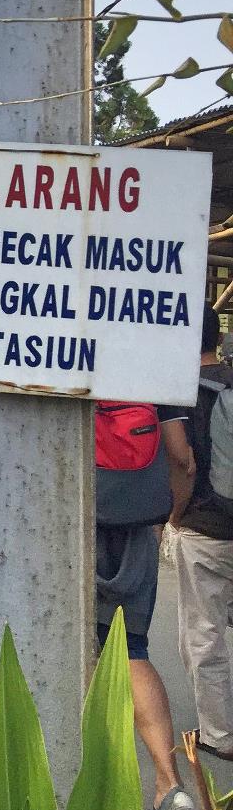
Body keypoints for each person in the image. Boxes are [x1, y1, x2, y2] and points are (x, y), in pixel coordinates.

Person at [95, 396, 198, 810]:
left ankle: (78, 787)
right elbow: (181, 457)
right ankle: (168, 784)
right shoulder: (152, 362)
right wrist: (166, 521)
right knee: (130, 648)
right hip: (138, 523)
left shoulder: (59, 357)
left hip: (68, 518)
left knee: (64, 645)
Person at [175, 305, 233, 762]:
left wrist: (174, 518)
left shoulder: (184, 394)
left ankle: (219, 733)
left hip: (206, 529)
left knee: (204, 632)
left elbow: (184, 463)